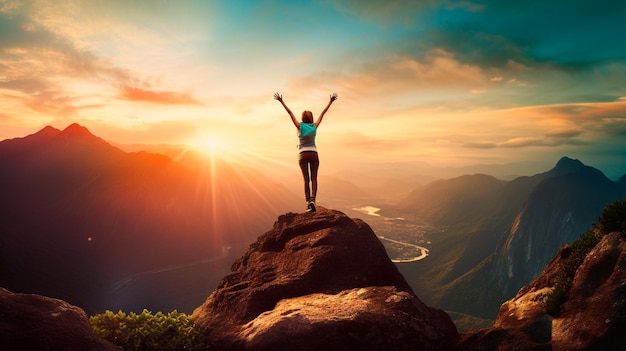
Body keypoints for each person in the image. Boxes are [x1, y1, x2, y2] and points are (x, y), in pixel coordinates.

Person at [274, 92, 338, 212]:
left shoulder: (299, 126)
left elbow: (290, 113)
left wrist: (281, 101)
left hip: (302, 155)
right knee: (314, 178)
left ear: (303, 118)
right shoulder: (314, 126)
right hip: (314, 154)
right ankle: (313, 200)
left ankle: (308, 202)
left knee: (306, 179)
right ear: (311, 118)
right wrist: (330, 102)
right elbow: (323, 114)